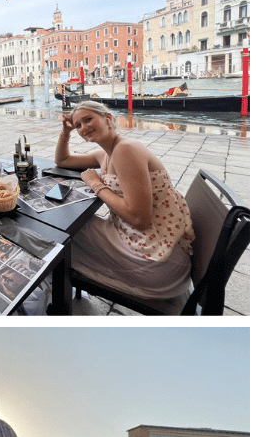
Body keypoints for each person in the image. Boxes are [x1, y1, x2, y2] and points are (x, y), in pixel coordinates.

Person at [55, 100, 194, 308]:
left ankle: (58, 293)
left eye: (88, 119)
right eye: (78, 125)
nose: (84, 128)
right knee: (70, 228)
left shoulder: (125, 150)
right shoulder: (105, 154)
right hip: (158, 250)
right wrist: (65, 132)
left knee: (62, 232)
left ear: (108, 118)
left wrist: (95, 184)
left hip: (155, 261)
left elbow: (140, 219)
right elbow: (63, 160)